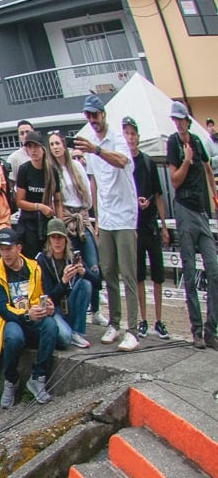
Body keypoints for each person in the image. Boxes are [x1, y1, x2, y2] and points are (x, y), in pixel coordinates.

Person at [75, 95, 140, 353]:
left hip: (125, 215)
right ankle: (114, 322)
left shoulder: (117, 139)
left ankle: (132, 329)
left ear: (103, 114)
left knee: (128, 273)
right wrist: (95, 216)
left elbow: (123, 161)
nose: (92, 120)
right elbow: (94, 182)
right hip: (107, 217)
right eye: (88, 117)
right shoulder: (92, 147)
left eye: (95, 115)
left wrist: (96, 150)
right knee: (109, 271)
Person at [169, 101, 218, 349]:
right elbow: (174, 181)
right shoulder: (173, 143)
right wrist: (186, 161)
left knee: (214, 269)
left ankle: (211, 330)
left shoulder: (198, 141)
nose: (178, 123)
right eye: (175, 119)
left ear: (187, 120)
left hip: (201, 211)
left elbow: (209, 168)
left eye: (181, 119)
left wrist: (215, 196)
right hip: (185, 210)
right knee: (189, 272)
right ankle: (196, 330)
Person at [0, 228, 58, 407]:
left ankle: (38, 377)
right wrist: (27, 314)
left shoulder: (34, 267)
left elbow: (44, 294)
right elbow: (3, 310)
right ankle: (10, 381)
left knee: (51, 326)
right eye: (1, 249)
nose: (5, 253)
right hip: (13, 319)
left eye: (8, 248)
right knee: (13, 337)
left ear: (18, 248)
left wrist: (48, 306)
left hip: (34, 316)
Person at [47, 130, 103, 327]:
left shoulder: (76, 166)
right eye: (52, 144)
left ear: (64, 145)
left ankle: (96, 309)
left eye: (58, 143)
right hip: (65, 217)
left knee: (93, 263)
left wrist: (88, 217)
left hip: (81, 215)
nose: (55, 147)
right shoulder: (51, 170)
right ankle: (74, 309)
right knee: (70, 264)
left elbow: (87, 192)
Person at [127, 117, 170, 340]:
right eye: (127, 134)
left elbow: (159, 194)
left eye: (133, 134)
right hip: (133, 227)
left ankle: (159, 320)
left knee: (158, 275)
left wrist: (163, 225)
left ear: (138, 137)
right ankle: (143, 320)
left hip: (150, 224)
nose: (131, 138)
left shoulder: (147, 162)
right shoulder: (123, 163)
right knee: (139, 277)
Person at [36, 218, 94, 350]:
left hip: (69, 305)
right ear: (49, 240)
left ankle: (77, 331)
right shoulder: (41, 260)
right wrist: (63, 281)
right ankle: (64, 331)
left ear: (66, 239)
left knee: (85, 284)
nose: (57, 241)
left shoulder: (72, 257)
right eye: (53, 237)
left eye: (60, 237)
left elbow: (97, 282)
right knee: (65, 338)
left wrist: (84, 272)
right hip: (52, 308)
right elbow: (46, 297)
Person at [14, 131, 56, 259]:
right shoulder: (24, 169)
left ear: (43, 148)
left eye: (36, 146)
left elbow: (58, 200)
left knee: (49, 259)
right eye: (29, 147)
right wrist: (39, 206)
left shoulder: (51, 170)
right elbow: (20, 202)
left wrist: (60, 223)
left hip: (47, 223)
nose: (33, 150)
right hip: (29, 223)